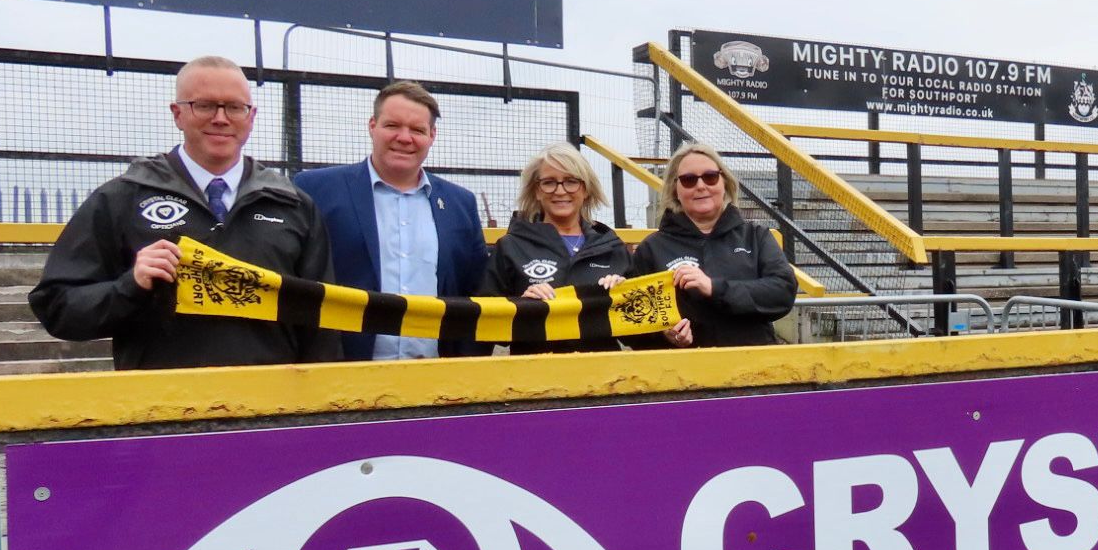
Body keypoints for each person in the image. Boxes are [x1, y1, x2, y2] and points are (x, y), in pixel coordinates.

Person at [29, 56, 338, 369]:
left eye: (234, 107)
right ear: (177, 114)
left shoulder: (293, 204)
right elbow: (58, 308)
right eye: (204, 105)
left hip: (271, 408)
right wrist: (130, 285)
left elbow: (322, 322)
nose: (221, 118)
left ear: (251, 116)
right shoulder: (123, 197)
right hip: (162, 408)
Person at [294, 80, 489, 360]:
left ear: (432, 135)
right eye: (392, 125)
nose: (404, 137)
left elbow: (477, 289)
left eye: (417, 130)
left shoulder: (460, 203)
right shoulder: (316, 190)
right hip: (339, 376)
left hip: (438, 380)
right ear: (372, 126)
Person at [625, 141, 796, 347]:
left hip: (754, 370)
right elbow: (633, 324)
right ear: (674, 189)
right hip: (683, 374)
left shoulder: (756, 237)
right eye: (688, 180)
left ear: (724, 183)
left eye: (710, 177)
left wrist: (714, 288)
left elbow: (782, 292)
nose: (701, 186)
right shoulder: (652, 249)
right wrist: (664, 335)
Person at [479, 143, 630, 353]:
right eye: (549, 183)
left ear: (585, 189)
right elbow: (485, 325)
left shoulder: (613, 248)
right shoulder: (511, 246)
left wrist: (627, 295)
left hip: (604, 378)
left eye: (571, 182)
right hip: (534, 378)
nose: (560, 191)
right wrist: (520, 304)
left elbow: (638, 330)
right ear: (536, 191)